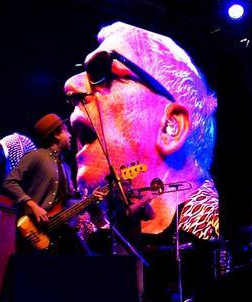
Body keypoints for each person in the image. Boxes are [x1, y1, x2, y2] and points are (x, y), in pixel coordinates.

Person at [64, 21, 219, 301]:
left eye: (102, 71)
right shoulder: (90, 226)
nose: (71, 86)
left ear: (171, 126)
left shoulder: (200, 231)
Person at [2, 113, 97, 254]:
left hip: (57, 229)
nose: (70, 136)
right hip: (34, 229)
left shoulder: (65, 167)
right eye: (66, 131)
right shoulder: (36, 156)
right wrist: (33, 206)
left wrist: (91, 199)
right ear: (56, 135)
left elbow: (65, 202)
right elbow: (9, 182)